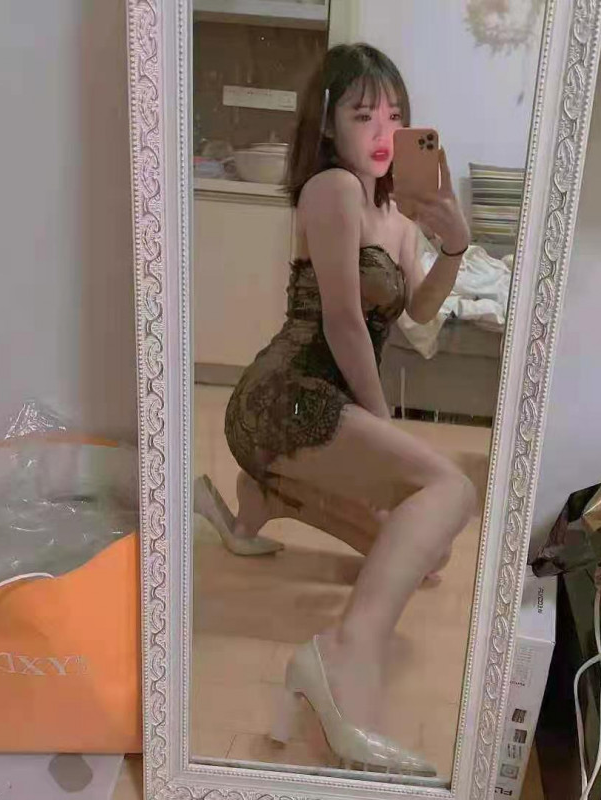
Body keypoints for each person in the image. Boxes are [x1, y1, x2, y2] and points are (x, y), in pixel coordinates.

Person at [194, 43, 476, 776]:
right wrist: (383, 428)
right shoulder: (332, 188)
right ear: (328, 125)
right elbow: (344, 323)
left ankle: (255, 502)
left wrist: (455, 247)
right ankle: (344, 656)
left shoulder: (398, 218)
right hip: (286, 396)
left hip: (328, 404)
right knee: (450, 490)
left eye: (395, 116)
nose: (384, 132)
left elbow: (418, 314)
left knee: (429, 556)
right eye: (363, 115)